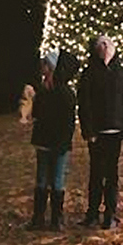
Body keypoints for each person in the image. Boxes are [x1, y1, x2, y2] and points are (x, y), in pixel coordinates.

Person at [76, 33, 123, 229]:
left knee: (111, 174)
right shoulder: (89, 73)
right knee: (96, 173)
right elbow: (84, 104)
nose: (104, 47)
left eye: (107, 44)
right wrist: (89, 130)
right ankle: (92, 212)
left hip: (115, 130)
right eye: (100, 45)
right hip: (98, 131)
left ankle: (110, 213)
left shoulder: (121, 73)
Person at [26, 52, 77, 230]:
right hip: (44, 140)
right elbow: (37, 115)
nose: (43, 69)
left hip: (58, 142)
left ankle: (56, 219)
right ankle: (39, 217)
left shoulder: (64, 92)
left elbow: (68, 121)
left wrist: (65, 141)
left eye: (45, 66)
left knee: (56, 180)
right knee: (42, 179)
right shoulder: (43, 90)